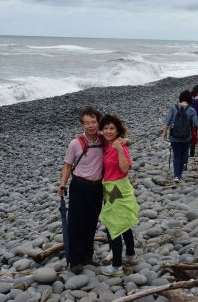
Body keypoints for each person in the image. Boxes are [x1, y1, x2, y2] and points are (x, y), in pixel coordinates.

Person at [58, 107, 105, 274]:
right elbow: (67, 165)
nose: (91, 125)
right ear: (82, 124)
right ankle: (75, 260)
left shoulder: (103, 139)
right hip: (79, 186)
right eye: (87, 123)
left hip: (97, 187)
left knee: (91, 222)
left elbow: (120, 139)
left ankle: (87, 255)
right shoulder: (75, 143)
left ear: (98, 122)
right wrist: (62, 184)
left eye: (93, 122)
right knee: (76, 223)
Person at [98, 114, 140, 276]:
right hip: (111, 188)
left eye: (112, 128)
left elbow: (124, 169)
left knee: (113, 224)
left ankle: (116, 266)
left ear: (117, 131)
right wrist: (125, 138)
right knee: (122, 222)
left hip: (117, 188)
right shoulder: (108, 143)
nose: (108, 131)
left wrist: (120, 148)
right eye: (106, 128)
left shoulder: (118, 146)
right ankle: (130, 255)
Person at [163, 90, 198, 182]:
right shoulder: (191, 110)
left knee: (176, 155)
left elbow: (167, 121)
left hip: (174, 136)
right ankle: (180, 173)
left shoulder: (173, 108)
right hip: (186, 137)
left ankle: (176, 176)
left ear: (180, 98)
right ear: (189, 99)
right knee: (184, 155)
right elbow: (196, 123)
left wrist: (165, 132)